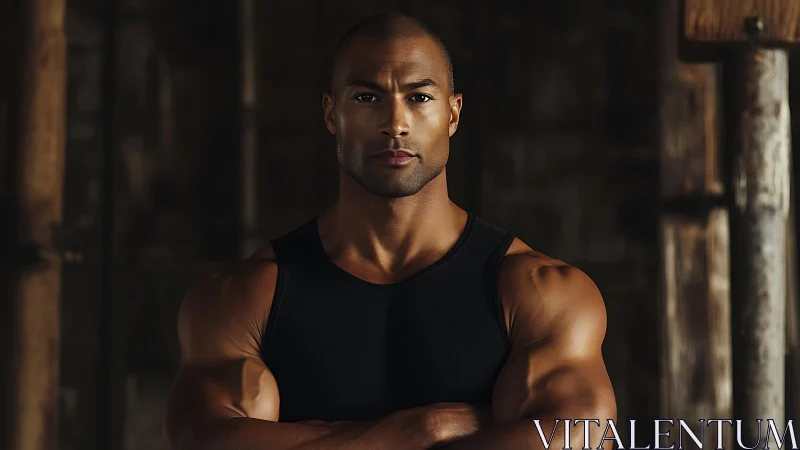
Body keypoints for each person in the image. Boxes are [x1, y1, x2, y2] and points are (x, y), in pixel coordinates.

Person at [165, 12, 616, 450]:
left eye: (419, 98)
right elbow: (201, 440)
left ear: (453, 115)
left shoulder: (539, 293)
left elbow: (583, 437)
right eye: (367, 98)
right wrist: (417, 431)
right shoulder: (246, 298)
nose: (395, 123)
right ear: (330, 113)